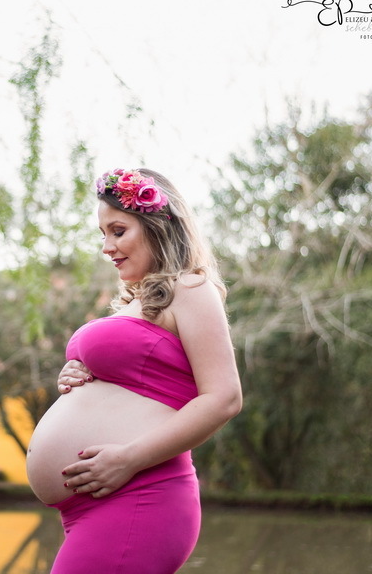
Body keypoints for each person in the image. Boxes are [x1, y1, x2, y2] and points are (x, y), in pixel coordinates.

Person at [25, 168, 242, 574]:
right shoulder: (136, 302)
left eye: (118, 231)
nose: (107, 247)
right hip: (97, 503)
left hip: (142, 493)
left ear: (158, 226)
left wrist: (128, 459)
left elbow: (224, 398)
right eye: (102, 234)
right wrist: (78, 375)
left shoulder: (190, 288)